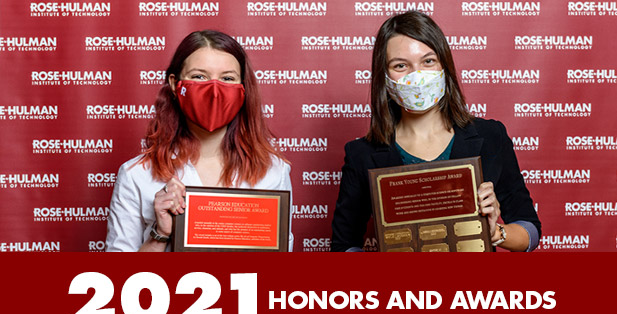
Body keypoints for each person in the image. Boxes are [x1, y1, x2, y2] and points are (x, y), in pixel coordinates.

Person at [331, 11, 540, 252]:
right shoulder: (362, 154)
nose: (417, 75)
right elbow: (343, 246)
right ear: (385, 78)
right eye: (401, 65)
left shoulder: (491, 136)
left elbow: (531, 232)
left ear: (444, 65)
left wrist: (495, 232)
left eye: (428, 61)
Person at [106, 30, 292, 252]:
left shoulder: (273, 171)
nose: (214, 91)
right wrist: (161, 233)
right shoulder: (136, 174)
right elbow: (118, 281)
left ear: (243, 89)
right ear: (175, 84)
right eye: (199, 76)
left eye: (227, 78)